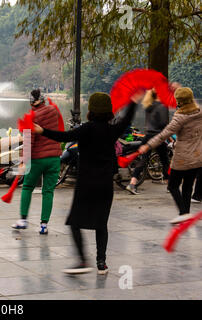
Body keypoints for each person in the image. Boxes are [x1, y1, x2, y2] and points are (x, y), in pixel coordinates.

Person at [33, 92, 140, 275]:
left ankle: (83, 260)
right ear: (108, 110)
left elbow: (63, 137)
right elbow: (127, 118)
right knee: (101, 224)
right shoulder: (112, 130)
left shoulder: (85, 129)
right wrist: (133, 100)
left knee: (75, 222)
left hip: (86, 184)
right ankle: (101, 263)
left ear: (90, 109)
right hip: (105, 185)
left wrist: (42, 130)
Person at [139, 87, 202, 224]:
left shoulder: (180, 117)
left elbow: (163, 134)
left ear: (179, 101)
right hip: (197, 157)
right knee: (187, 187)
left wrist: (148, 145)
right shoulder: (200, 112)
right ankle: (185, 214)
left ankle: (183, 213)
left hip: (182, 159)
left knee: (172, 186)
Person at [11, 89, 62, 234]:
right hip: (54, 158)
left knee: (27, 187)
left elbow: (29, 141)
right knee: (48, 191)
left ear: (31, 101)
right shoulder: (53, 110)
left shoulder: (30, 117)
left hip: (38, 159)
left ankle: (23, 220)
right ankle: (44, 225)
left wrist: (23, 162)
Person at [126, 89, 170, 194]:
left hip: (148, 135)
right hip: (158, 137)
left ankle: (132, 184)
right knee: (165, 161)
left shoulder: (148, 106)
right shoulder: (162, 106)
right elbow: (163, 124)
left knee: (143, 160)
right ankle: (170, 185)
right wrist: (169, 136)